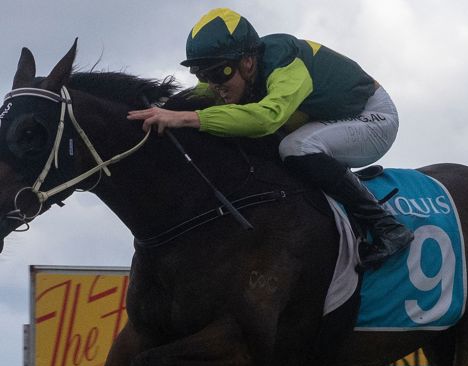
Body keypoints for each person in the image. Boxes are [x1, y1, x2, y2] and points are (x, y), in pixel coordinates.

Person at [127, 7, 413, 270]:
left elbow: (267, 118)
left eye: (219, 72)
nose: (214, 84)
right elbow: (192, 98)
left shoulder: (286, 63)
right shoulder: (234, 73)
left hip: (373, 118)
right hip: (327, 119)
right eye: (203, 74)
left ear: (248, 62)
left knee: (295, 147)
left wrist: (188, 118)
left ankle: (388, 227)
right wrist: (158, 110)